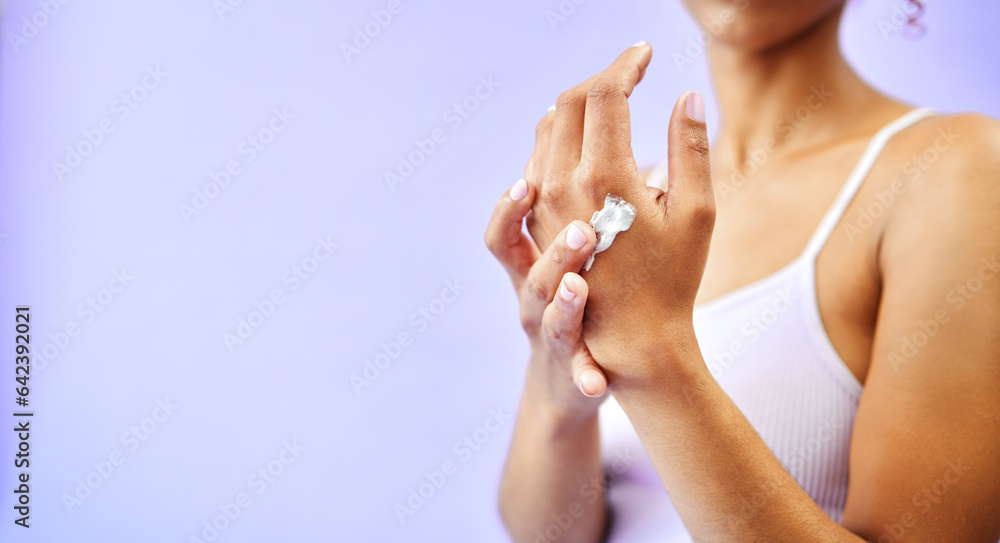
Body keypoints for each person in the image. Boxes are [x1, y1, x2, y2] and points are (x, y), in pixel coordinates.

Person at [484, 1, 1000, 541]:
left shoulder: (954, 170)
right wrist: (554, 380)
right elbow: (546, 533)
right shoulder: (622, 212)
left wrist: (651, 349)